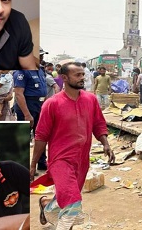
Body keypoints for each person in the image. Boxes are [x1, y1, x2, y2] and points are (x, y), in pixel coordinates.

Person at [30, 62, 115, 229]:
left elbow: (98, 124)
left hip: (82, 161)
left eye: (83, 74)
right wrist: (33, 164)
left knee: (68, 197)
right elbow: (41, 136)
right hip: (60, 160)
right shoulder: (52, 104)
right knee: (73, 202)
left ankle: (46, 204)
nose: (82, 78)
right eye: (77, 75)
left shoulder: (90, 99)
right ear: (64, 78)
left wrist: (106, 144)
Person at [13, 69, 47, 170]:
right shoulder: (21, 71)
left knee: (41, 135)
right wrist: (27, 114)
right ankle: (23, 167)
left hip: (39, 105)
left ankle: (41, 162)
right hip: (27, 106)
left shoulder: (40, 70)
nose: (40, 58)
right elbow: (19, 94)